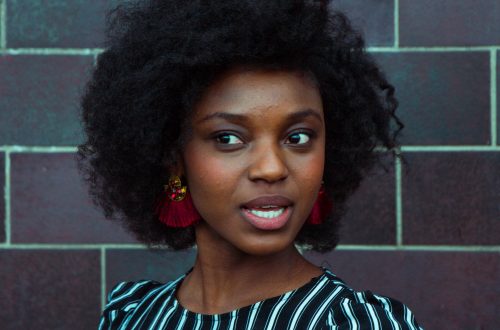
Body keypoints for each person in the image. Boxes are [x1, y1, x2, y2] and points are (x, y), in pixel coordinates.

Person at [78, 0, 422, 328]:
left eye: (298, 137)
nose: (271, 168)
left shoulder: (354, 324)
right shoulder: (132, 316)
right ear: (173, 157)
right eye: (228, 138)